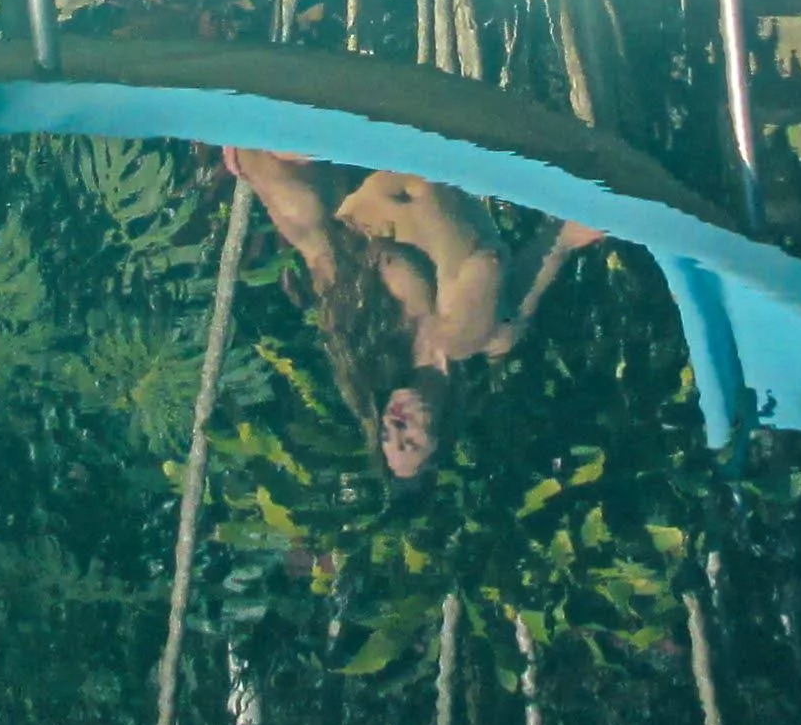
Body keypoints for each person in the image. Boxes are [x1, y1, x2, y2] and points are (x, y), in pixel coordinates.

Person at [224, 149, 604, 479]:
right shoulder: (496, 334)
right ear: (443, 434)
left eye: (387, 435)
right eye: (410, 441)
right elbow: (556, 242)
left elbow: (311, 238)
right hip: (444, 154)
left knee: (305, 215)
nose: (395, 424)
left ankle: (252, 145)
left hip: (370, 158)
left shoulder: (367, 330)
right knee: (469, 337)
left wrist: (271, 163)